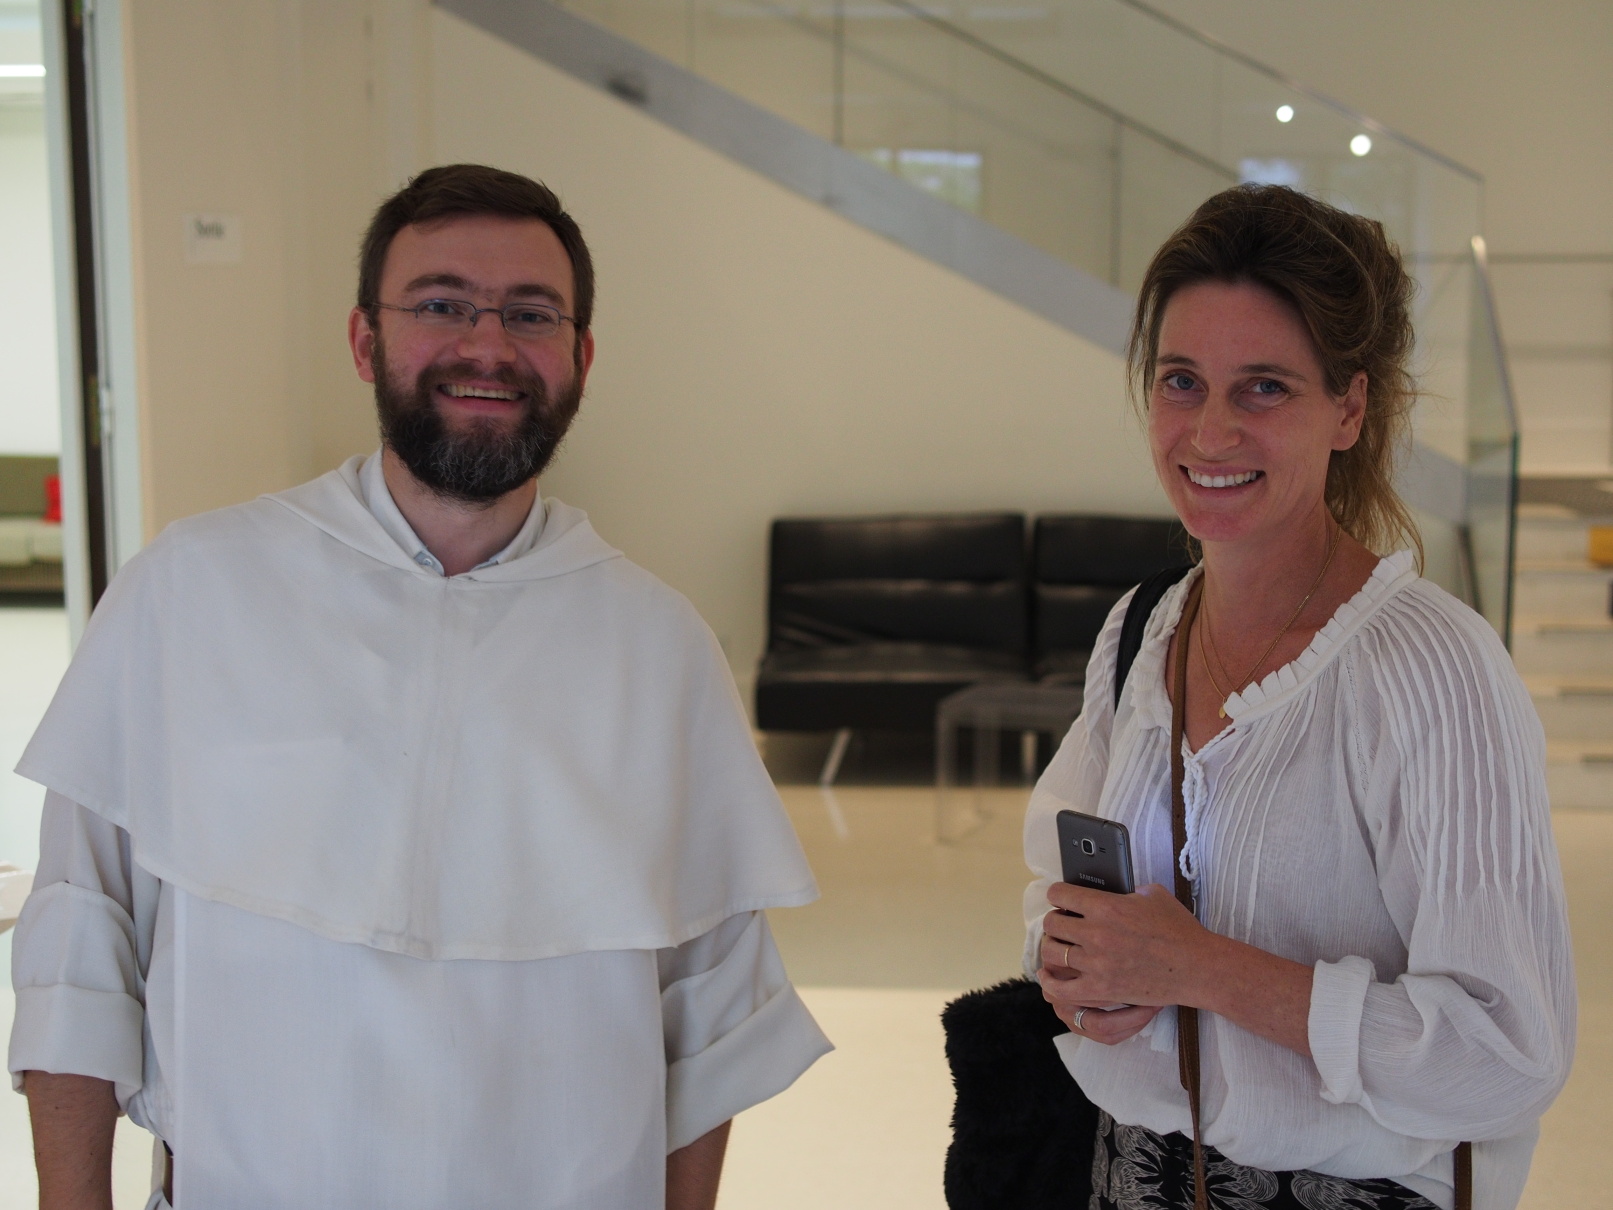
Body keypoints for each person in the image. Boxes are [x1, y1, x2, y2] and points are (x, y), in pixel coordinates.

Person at [11, 163, 830, 1209]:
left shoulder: (658, 647)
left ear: (580, 358)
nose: (487, 346)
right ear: (365, 341)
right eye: (441, 305)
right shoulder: (192, 589)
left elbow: (708, 1027)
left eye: (529, 313)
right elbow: (78, 949)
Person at [1023, 185, 1574, 1210]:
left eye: (1264, 388)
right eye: (1180, 381)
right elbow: (1051, 883)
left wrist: (1201, 969)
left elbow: (1506, 1054)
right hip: (1128, 1177)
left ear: (1348, 409)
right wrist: (1074, 963)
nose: (1209, 432)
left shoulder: (1432, 671)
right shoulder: (1142, 628)